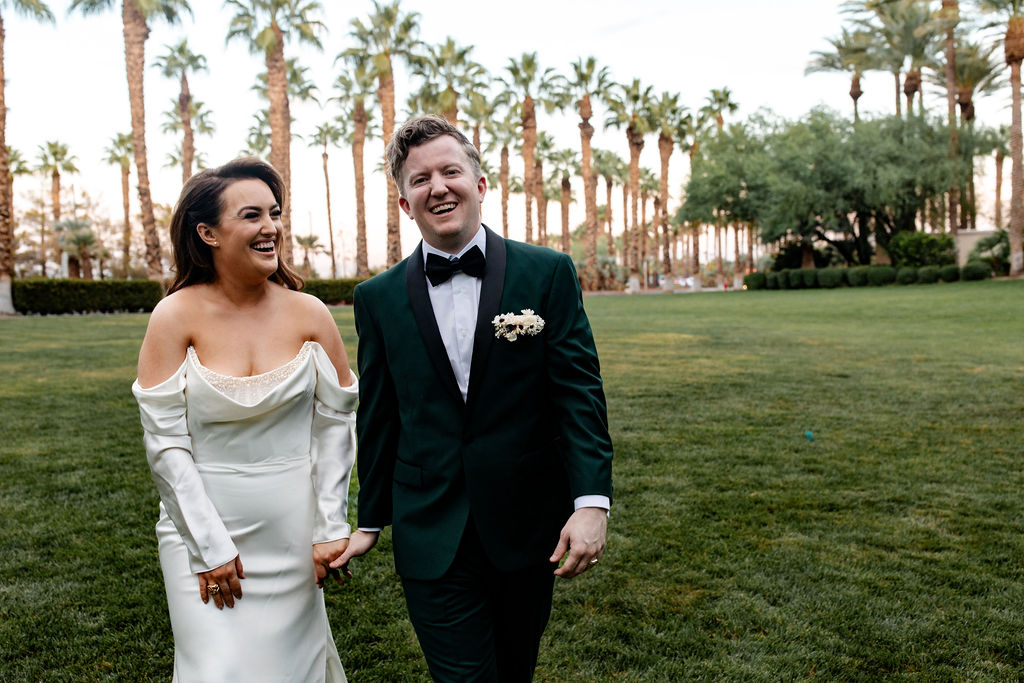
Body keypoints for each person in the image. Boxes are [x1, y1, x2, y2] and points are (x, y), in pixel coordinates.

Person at [332, 115, 614, 681]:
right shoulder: (377, 298)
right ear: (407, 204)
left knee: (514, 671)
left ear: (480, 185)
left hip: (526, 526)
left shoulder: (548, 273)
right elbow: (380, 414)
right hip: (430, 533)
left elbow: (579, 396)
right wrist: (369, 520)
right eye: (419, 179)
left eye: (450, 171)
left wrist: (590, 503)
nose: (437, 186)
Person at [131, 158, 356, 681]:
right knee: (217, 671)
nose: (270, 227)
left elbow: (335, 429)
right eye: (251, 215)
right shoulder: (174, 317)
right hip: (200, 532)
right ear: (206, 232)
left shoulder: (311, 313)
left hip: (294, 532)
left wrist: (329, 526)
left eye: (274, 214)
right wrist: (208, 546)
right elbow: (166, 447)